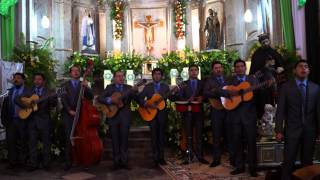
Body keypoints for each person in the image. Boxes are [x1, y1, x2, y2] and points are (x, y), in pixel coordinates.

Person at [275, 60, 320, 180]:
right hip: (292, 131)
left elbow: (318, 112)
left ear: (309, 71)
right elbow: (280, 111)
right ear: (294, 70)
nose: (303, 68)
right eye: (300, 66)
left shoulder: (315, 88)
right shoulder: (285, 87)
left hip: (310, 131)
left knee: (307, 161)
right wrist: (278, 130)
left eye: (306, 66)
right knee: (288, 160)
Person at [98, 71, 138, 170]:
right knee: (115, 140)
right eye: (118, 76)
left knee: (124, 140)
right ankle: (116, 162)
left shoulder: (129, 88)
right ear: (114, 78)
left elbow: (137, 99)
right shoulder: (109, 88)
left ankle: (124, 162)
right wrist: (111, 100)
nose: (120, 78)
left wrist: (138, 94)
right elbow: (100, 98)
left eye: (122, 76)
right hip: (113, 116)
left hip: (125, 117)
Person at [227, 59, 258, 177]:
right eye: (237, 67)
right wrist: (233, 93)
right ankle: (239, 166)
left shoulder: (252, 79)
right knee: (237, 142)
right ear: (234, 69)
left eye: (242, 66)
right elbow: (221, 91)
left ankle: (252, 168)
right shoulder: (230, 80)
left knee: (251, 142)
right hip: (235, 116)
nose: (240, 68)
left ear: (245, 68)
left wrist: (265, 86)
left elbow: (258, 93)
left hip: (249, 116)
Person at [175, 64, 209, 164]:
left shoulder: (203, 83)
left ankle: (200, 155)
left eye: (195, 70)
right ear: (189, 72)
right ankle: (188, 155)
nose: (193, 72)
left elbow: (207, 95)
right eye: (191, 70)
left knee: (199, 134)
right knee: (188, 134)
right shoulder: (183, 84)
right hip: (187, 113)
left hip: (199, 112)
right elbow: (179, 96)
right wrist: (186, 99)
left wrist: (202, 98)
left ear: (198, 72)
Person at [61, 65, 93, 171]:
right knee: (68, 138)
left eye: (77, 71)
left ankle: (83, 161)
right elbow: (63, 99)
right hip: (68, 114)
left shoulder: (83, 84)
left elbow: (91, 97)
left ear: (79, 73)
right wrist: (69, 110)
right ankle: (68, 161)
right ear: (70, 73)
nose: (75, 72)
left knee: (82, 138)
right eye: (73, 71)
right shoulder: (64, 85)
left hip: (81, 114)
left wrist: (87, 87)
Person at [138, 68, 171, 167]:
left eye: (159, 74)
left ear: (162, 76)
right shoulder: (148, 87)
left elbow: (171, 98)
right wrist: (146, 104)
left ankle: (161, 158)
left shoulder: (165, 87)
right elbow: (139, 98)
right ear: (152, 76)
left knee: (161, 137)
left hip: (162, 114)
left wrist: (174, 94)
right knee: (154, 137)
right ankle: (155, 158)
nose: (157, 76)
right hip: (151, 114)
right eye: (155, 74)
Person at [203, 61, 234, 167]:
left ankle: (233, 158)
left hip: (229, 110)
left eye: (220, 67)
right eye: (216, 68)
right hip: (216, 110)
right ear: (213, 70)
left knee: (230, 135)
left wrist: (217, 91)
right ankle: (216, 159)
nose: (218, 69)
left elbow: (232, 92)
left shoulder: (229, 79)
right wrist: (221, 93)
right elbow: (205, 93)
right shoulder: (209, 80)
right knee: (216, 135)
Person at [249, 33, 284, 118]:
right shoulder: (257, 54)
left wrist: (281, 67)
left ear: (269, 41)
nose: (265, 43)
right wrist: (264, 67)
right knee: (263, 100)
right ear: (260, 43)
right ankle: (262, 118)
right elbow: (254, 70)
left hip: (274, 79)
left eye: (267, 41)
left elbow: (281, 63)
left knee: (275, 97)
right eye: (263, 42)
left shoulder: (274, 52)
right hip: (261, 81)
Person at [26, 73, 57, 171]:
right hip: (31, 121)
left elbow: (53, 105)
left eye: (39, 79)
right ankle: (33, 164)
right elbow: (18, 100)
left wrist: (52, 99)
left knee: (46, 143)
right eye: (35, 79)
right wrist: (27, 103)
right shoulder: (29, 90)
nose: (37, 81)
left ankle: (46, 164)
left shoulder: (49, 92)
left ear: (43, 81)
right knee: (32, 143)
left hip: (44, 121)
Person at [1, 72, 30, 169]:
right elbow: (5, 107)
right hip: (11, 121)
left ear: (23, 80)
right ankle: (12, 163)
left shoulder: (29, 91)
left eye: (18, 78)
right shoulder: (10, 91)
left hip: (23, 121)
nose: (16, 79)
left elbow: (32, 106)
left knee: (23, 141)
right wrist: (4, 121)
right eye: (14, 78)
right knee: (11, 142)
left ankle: (23, 162)